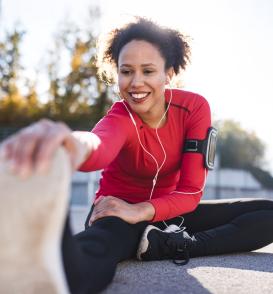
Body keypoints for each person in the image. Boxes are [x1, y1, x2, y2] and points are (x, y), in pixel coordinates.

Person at [0, 17, 273, 294]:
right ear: (117, 73)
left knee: (267, 214)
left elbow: (191, 192)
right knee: (98, 248)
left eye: (148, 71)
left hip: (169, 212)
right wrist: (69, 143)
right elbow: (98, 145)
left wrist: (141, 211)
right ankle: (44, 263)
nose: (136, 82)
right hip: (116, 209)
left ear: (168, 73)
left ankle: (171, 244)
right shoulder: (120, 116)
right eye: (126, 71)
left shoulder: (194, 108)